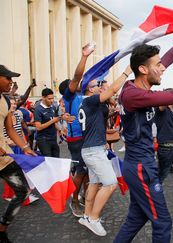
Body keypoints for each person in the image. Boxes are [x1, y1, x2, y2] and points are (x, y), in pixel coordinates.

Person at [114, 30, 173, 243]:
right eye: (157, 65)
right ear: (143, 69)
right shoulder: (132, 94)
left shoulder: (140, 87)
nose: (162, 69)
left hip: (141, 164)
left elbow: (167, 60)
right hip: (141, 167)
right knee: (162, 222)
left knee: (136, 218)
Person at [77, 65, 132, 236]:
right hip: (93, 151)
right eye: (96, 85)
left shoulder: (87, 103)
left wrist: (110, 113)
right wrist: (126, 72)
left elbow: (96, 122)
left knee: (94, 183)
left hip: (92, 149)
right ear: (89, 89)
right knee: (110, 183)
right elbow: (114, 89)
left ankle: (86, 216)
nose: (100, 87)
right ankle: (93, 218)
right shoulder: (90, 100)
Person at [0, 65, 37, 242]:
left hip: (5, 157)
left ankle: (2, 229)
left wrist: (25, 147)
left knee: (22, 190)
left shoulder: (6, 101)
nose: (11, 83)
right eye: (8, 78)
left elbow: (9, 128)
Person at [59, 43, 94, 217]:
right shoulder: (70, 96)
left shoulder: (82, 96)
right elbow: (76, 77)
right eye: (75, 83)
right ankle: (73, 201)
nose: (79, 83)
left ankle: (83, 196)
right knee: (80, 171)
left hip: (86, 138)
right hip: (76, 139)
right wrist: (85, 57)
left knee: (86, 170)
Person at [33, 88, 70, 157]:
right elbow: (38, 127)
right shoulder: (38, 109)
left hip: (53, 138)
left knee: (56, 158)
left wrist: (60, 130)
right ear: (43, 98)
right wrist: (52, 121)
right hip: (43, 140)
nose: (52, 101)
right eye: (49, 99)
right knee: (48, 160)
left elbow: (54, 121)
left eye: (52, 98)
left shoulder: (53, 107)